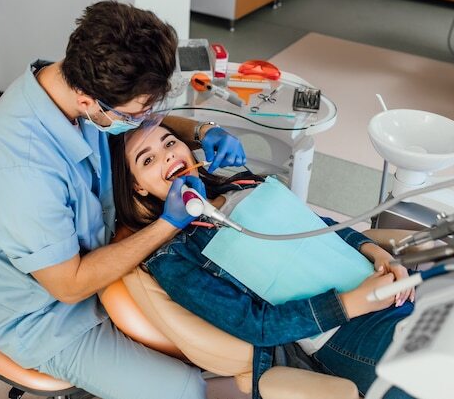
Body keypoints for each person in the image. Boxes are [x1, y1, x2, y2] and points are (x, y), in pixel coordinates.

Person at [0, 0, 247, 399]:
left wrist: (201, 131)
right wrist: (170, 222)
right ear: (89, 103)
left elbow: (145, 122)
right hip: (48, 317)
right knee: (182, 388)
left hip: (103, 261)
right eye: (136, 113)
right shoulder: (21, 174)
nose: (149, 120)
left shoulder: (71, 82)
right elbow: (70, 285)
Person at [109, 125, 417, 399]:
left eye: (169, 142)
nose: (166, 155)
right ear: (139, 188)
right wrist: (352, 304)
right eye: (147, 160)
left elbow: (320, 225)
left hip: (387, 285)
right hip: (343, 330)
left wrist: (379, 254)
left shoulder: (244, 184)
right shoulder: (174, 257)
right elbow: (256, 325)